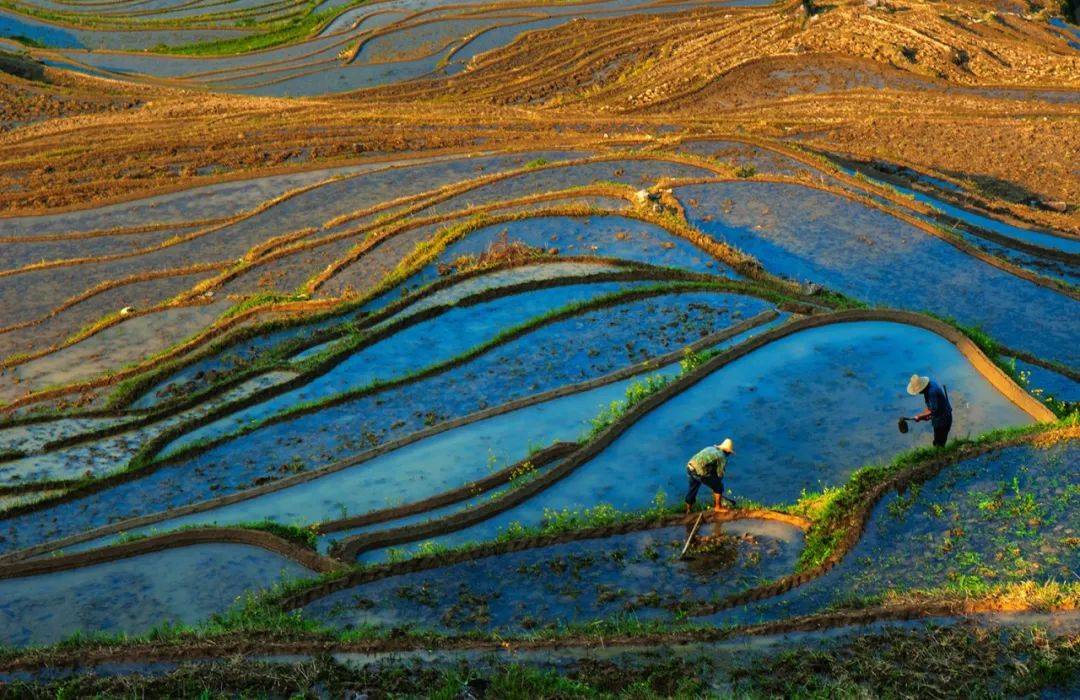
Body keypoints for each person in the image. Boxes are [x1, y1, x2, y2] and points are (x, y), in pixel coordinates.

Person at [685, 438, 734, 513]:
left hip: (690, 466)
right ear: (727, 451)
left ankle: (688, 510)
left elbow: (705, 462)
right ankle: (718, 507)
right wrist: (715, 488)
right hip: (698, 471)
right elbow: (720, 475)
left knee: (693, 488)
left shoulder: (710, 448)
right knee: (719, 486)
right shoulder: (722, 457)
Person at [907, 374, 952, 447]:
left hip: (943, 419)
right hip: (940, 415)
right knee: (938, 440)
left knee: (939, 443)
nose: (918, 393)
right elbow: (930, 406)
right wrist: (923, 416)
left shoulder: (931, 392)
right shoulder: (929, 386)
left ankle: (940, 456)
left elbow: (933, 409)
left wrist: (919, 416)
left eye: (918, 391)